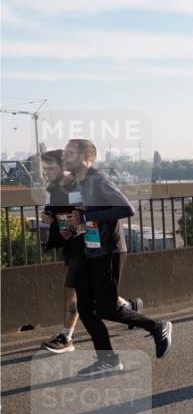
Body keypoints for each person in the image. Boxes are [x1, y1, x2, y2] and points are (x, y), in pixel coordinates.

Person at [62, 139, 172, 375]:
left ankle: (157, 326)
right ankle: (108, 360)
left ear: (87, 157)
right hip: (91, 248)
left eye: (70, 153)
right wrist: (79, 219)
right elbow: (96, 213)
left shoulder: (98, 178)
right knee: (85, 307)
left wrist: (87, 216)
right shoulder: (82, 181)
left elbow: (126, 208)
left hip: (108, 251)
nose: (65, 157)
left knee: (107, 309)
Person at [38, 150, 143, 353]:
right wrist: (48, 217)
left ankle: (67, 338)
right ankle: (130, 308)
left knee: (72, 294)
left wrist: (81, 219)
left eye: (50, 168)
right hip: (70, 245)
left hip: (88, 245)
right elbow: (49, 211)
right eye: (45, 169)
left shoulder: (84, 184)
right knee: (94, 294)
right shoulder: (52, 188)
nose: (47, 172)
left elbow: (102, 210)